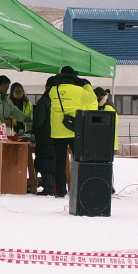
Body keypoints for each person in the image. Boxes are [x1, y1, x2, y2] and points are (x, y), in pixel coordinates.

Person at [49, 66, 98, 197]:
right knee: (78, 161)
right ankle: (78, 189)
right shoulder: (79, 91)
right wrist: (86, 85)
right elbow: (92, 99)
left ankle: (59, 191)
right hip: (74, 130)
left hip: (57, 132)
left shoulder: (53, 90)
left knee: (59, 163)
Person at [32, 76, 57, 195]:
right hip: (58, 135)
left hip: (45, 137)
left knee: (45, 162)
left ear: (46, 86)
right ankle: (57, 187)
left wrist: (34, 131)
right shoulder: (59, 99)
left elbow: (39, 121)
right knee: (56, 162)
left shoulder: (44, 101)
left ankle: (49, 188)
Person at [94, 87, 119, 151]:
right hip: (108, 142)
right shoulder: (104, 105)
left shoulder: (107, 107)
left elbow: (107, 124)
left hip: (108, 143)